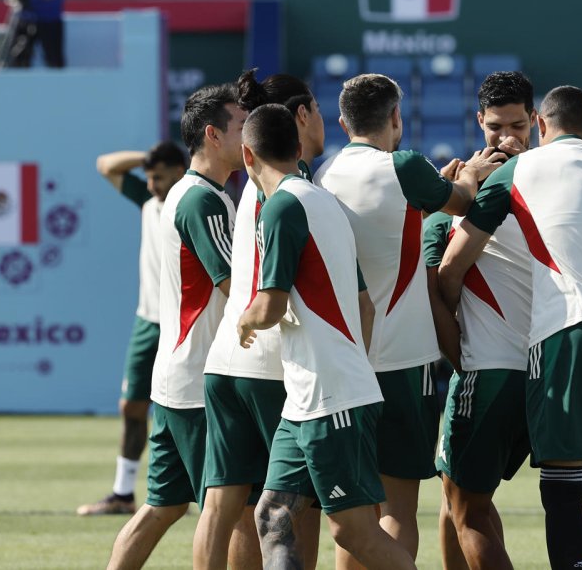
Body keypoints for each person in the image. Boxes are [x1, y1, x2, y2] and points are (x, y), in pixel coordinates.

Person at [439, 85, 582, 570]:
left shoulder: (520, 170)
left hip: (566, 330)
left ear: (540, 125)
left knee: (561, 486)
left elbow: (451, 265)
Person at [314, 73, 502, 566]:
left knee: (356, 516)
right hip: (403, 360)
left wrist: (433, 184)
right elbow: (461, 202)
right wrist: (470, 172)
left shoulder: (323, 175)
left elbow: (389, 222)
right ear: (397, 118)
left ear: (342, 121)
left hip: (347, 360)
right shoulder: (404, 165)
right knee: (397, 508)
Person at [234, 103, 415, 570]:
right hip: (314, 396)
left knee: (353, 532)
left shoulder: (280, 207)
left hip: (329, 397)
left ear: (247, 156)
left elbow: (268, 306)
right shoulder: (320, 201)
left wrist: (244, 320)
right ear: (298, 149)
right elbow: (364, 305)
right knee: (273, 516)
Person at [106, 85, 246, 570]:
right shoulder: (201, 201)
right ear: (212, 135)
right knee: (227, 510)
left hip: (179, 378)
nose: (249, 134)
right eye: (241, 125)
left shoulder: (197, 195)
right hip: (198, 383)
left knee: (162, 506)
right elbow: (238, 289)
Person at [193, 71, 326, 570]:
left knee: (226, 503)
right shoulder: (295, 185)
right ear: (301, 116)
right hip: (272, 363)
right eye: (315, 107)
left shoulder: (251, 185)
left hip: (225, 359)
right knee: (295, 508)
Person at [424, 71, 536, 570]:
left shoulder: (466, 197)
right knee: (458, 499)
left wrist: (448, 194)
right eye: (496, 127)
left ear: (536, 120)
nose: (507, 138)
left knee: (465, 505)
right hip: (543, 366)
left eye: (518, 125)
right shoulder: (550, 181)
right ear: (479, 122)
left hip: (489, 369)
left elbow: (438, 279)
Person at [78, 143, 186, 516]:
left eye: (159, 176)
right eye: (150, 177)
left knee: (190, 410)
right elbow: (104, 163)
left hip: (183, 323)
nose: (152, 183)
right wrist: (148, 159)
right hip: (148, 321)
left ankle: (202, 493)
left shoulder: (193, 202)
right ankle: (123, 494)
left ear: (178, 170)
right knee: (132, 407)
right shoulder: (147, 199)